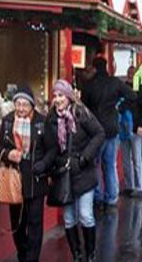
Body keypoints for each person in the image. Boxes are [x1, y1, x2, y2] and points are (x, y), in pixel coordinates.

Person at [0, 84, 56, 262]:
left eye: (25, 105)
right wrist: (8, 154)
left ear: (32, 106)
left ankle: (32, 259)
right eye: (18, 104)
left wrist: (43, 164)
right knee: (17, 224)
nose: (20, 109)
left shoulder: (42, 122)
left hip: (36, 179)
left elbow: (52, 149)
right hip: (15, 180)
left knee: (35, 223)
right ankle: (22, 255)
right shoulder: (8, 121)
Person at [46, 79, 104, 262]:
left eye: (61, 95)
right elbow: (49, 146)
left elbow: (99, 133)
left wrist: (85, 157)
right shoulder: (51, 118)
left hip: (83, 171)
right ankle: (77, 255)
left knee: (85, 215)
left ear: (69, 96)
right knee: (69, 218)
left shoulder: (80, 112)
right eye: (55, 96)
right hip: (64, 175)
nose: (58, 99)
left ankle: (90, 254)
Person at [80, 56, 134, 208]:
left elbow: (83, 107)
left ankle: (98, 196)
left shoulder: (89, 85)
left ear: (94, 68)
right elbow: (132, 95)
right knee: (110, 164)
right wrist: (119, 105)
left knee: (96, 164)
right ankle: (111, 197)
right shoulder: (115, 82)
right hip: (112, 128)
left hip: (95, 129)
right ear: (107, 67)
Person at [118, 66, 142, 196]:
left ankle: (138, 186)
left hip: (132, 128)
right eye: (129, 73)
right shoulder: (132, 89)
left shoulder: (137, 89)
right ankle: (132, 186)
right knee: (129, 159)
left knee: (134, 159)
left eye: (132, 73)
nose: (130, 75)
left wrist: (141, 125)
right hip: (127, 128)